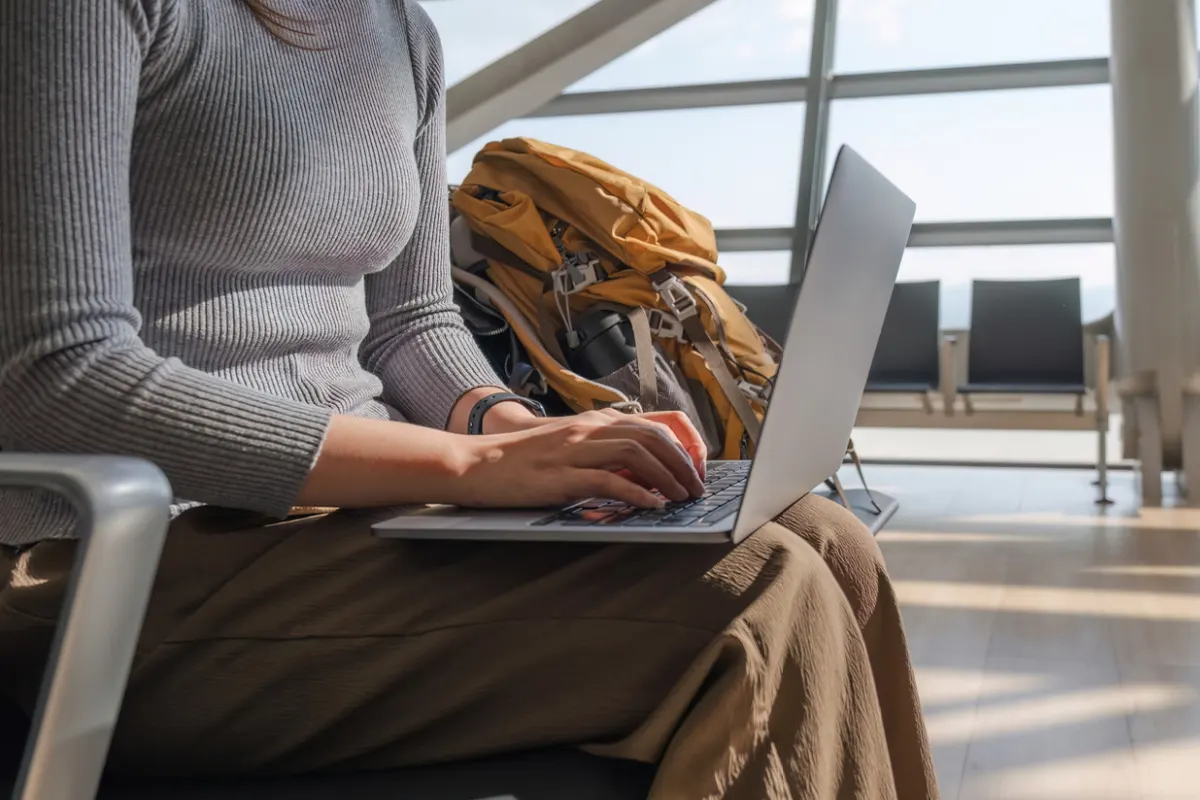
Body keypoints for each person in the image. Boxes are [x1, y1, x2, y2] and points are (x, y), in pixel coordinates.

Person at [0, 1, 938, 798]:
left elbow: (409, 323)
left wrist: (525, 433)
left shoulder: (400, 32)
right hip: (100, 561)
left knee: (830, 542)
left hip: (337, 521)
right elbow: (57, 374)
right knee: (757, 593)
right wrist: (469, 466)